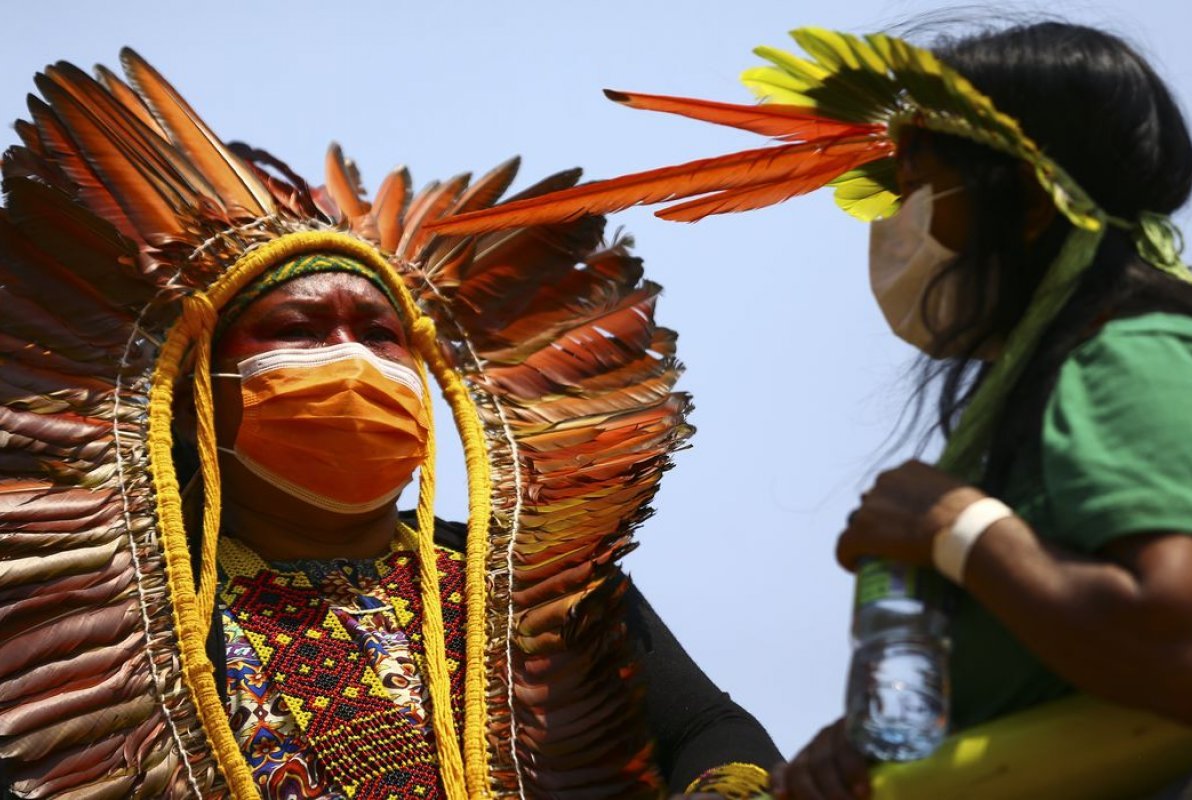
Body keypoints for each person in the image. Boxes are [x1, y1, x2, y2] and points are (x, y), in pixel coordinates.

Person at [426, 19, 1192, 800]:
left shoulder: (1126, 357)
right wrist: (866, 747)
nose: (895, 223)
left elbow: (1182, 648)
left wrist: (958, 532)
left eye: (914, 186)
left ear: (1030, 203)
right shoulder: (1037, 395)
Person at [0, 50, 778, 799]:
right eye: (301, 330)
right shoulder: (116, 619)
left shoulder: (540, 592)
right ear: (196, 387)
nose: (352, 359)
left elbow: (713, 732)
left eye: (378, 334)